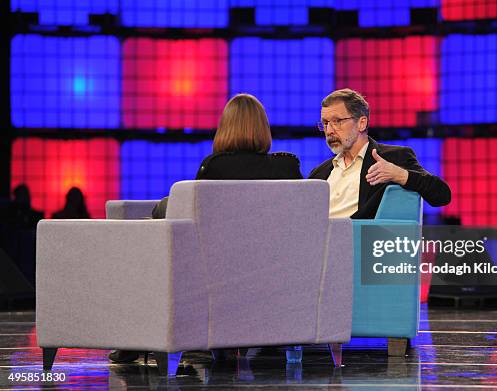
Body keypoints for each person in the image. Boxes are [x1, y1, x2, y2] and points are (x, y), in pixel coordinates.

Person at [109, 93, 302, 363]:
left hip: (216, 271)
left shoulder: (214, 166)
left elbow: (191, 215)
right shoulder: (287, 166)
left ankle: (137, 339)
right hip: (273, 271)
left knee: (158, 253)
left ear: (225, 128)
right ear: (263, 128)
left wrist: (162, 209)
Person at [309, 89, 451, 218]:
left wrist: (400, 175)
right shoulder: (320, 173)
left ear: (361, 123)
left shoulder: (392, 158)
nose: (329, 131)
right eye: (325, 123)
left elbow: (442, 195)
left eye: (337, 121)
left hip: (358, 241)